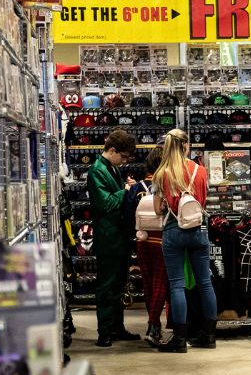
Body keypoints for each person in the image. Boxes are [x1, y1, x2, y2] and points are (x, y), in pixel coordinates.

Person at [152, 129, 217, 353]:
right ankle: (209, 336)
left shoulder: (163, 173)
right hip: (198, 229)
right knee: (205, 283)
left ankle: (179, 339)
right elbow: (204, 201)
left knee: (177, 284)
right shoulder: (201, 170)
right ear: (187, 146)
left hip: (173, 229)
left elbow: (158, 209)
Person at [87, 129, 140, 347]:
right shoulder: (96, 170)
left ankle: (117, 328)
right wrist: (125, 190)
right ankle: (105, 331)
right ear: (112, 150)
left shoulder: (111, 168)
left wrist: (124, 186)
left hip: (119, 236)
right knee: (107, 286)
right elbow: (106, 203)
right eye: (124, 156)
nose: (125, 161)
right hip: (108, 238)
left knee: (119, 285)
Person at [124, 147, 170, 346]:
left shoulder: (136, 188)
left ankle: (154, 325)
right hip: (163, 239)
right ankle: (154, 324)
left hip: (142, 241)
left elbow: (126, 215)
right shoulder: (168, 185)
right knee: (162, 283)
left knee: (149, 283)